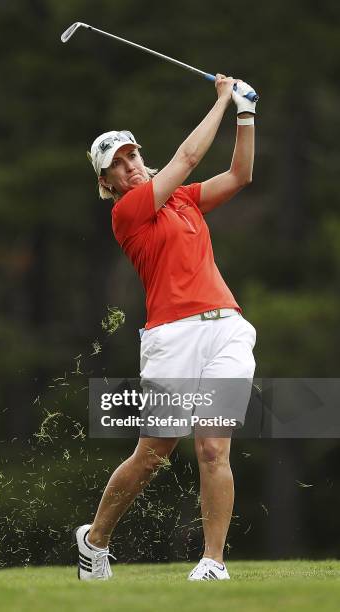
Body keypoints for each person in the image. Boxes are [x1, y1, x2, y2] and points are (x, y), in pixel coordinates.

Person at [75, 74, 257, 581]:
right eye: (117, 164)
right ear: (106, 182)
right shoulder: (128, 212)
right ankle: (95, 541)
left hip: (226, 330)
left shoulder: (183, 201)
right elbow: (188, 159)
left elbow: (240, 175)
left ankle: (213, 562)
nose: (130, 166)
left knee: (213, 446)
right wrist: (222, 99)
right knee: (153, 456)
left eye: (132, 155)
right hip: (171, 337)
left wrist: (246, 115)